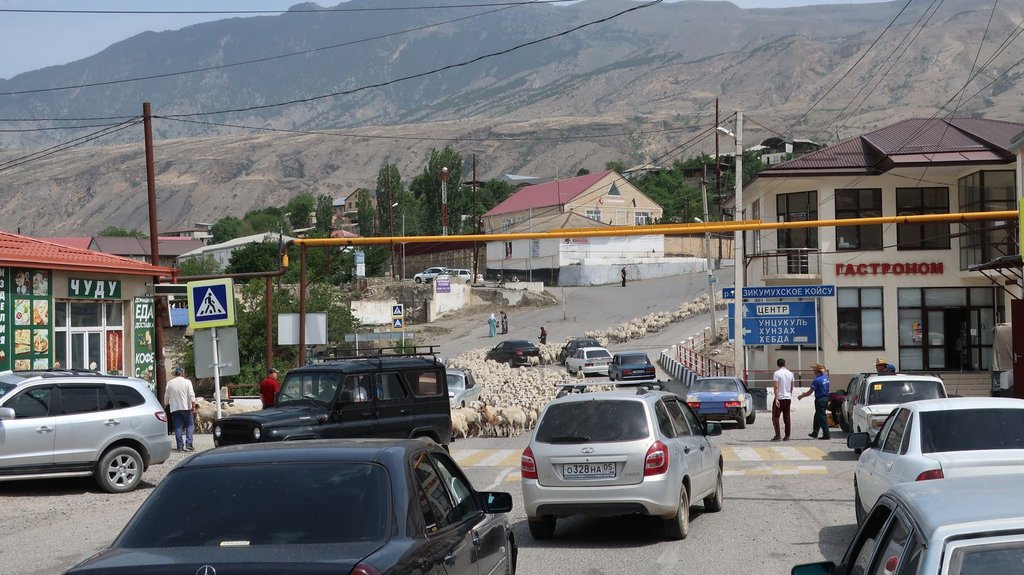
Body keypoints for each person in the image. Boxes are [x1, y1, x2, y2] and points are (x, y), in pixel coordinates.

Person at [164, 367, 196, 452]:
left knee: (178, 426)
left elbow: (166, 396)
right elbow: (191, 394)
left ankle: (180, 446)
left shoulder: (170, 383)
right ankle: (189, 443)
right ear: (182, 373)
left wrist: (166, 405)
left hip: (174, 408)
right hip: (186, 407)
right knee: (190, 424)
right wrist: (193, 406)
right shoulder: (187, 382)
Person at [799, 363, 831, 440]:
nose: (813, 371)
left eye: (814, 369)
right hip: (826, 397)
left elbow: (810, 392)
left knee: (822, 417)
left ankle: (826, 434)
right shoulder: (826, 377)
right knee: (817, 415)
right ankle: (815, 432)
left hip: (820, 399)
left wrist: (802, 396)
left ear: (817, 371)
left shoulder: (817, 380)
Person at [771, 358, 794, 441]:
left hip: (780, 397)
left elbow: (776, 387)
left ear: (777, 364)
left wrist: (776, 398)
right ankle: (787, 435)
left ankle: (778, 435)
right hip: (788, 397)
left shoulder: (776, 373)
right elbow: (792, 386)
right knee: (787, 417)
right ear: (785, 364)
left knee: (775, 417)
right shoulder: (790, 374)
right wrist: (789, 394)